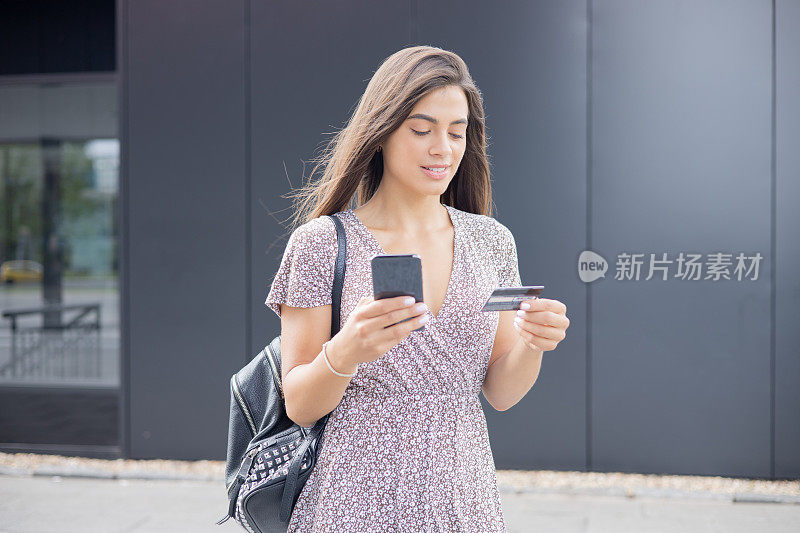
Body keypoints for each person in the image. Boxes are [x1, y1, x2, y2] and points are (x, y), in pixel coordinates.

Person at [265, 45, 570, 532]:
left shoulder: (491, 241)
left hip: (465, 504)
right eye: (422, 130)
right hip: (353, 505)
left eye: (457, 132)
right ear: (382, 132)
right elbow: (298, 405)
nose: (443, 149)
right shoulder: (321, 243)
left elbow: (501, 393)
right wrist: (347, 350)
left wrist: (534, 343)